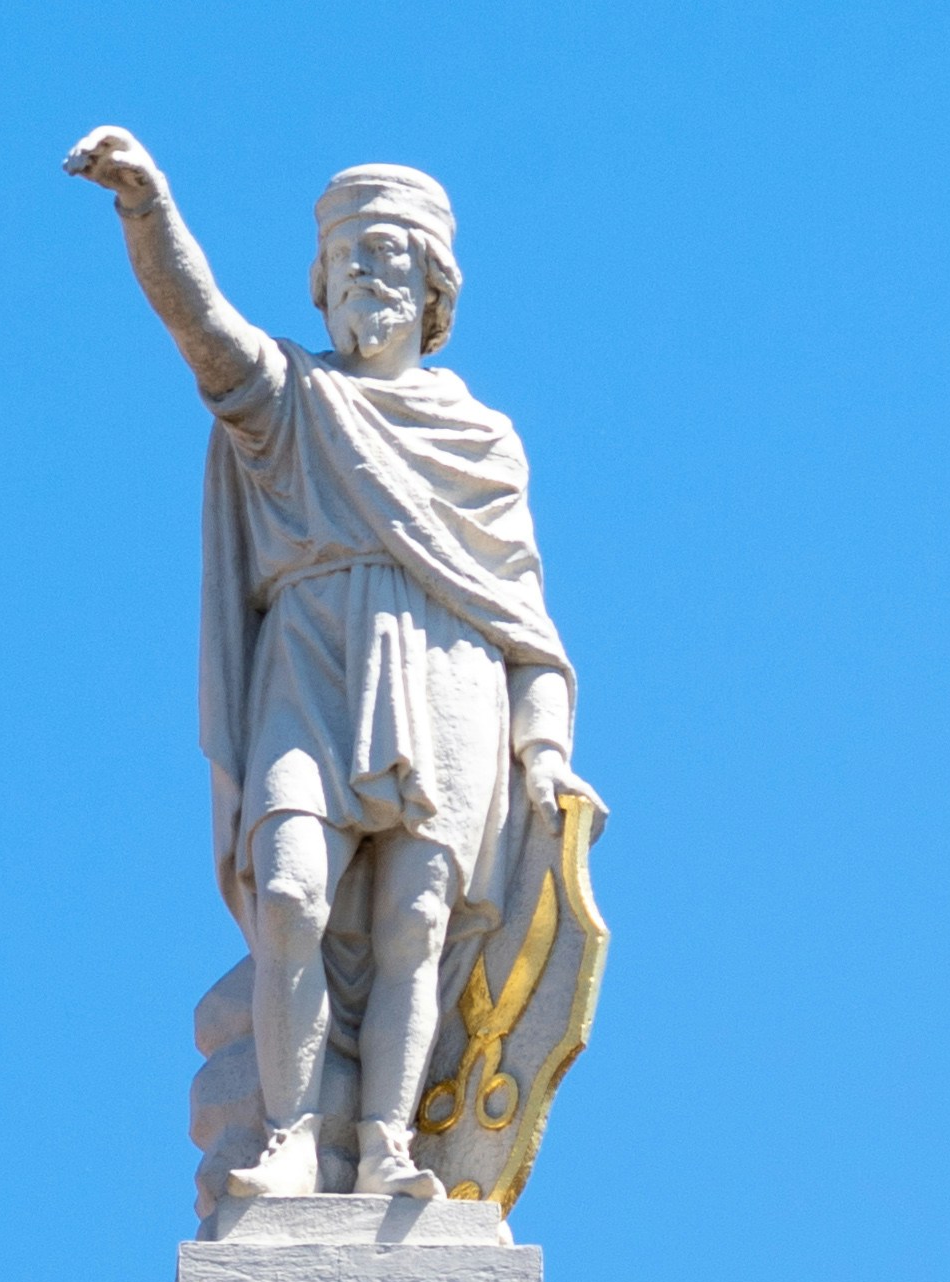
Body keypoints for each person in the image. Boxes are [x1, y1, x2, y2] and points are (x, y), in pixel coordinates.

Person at [67, 130, 598, 1201]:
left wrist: (542, 754)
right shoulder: (291, 403)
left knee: (414, 924)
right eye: (350, 255)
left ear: (435, 287)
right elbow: (200, 326)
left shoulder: (481, 439)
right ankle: (293, 1135)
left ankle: (391, 1145)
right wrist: (147, 208)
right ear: (320, 284)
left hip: (442, 675)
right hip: (308, 662)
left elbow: (527, 627)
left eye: (392, 256)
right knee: (293, 896)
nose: (368, 272)